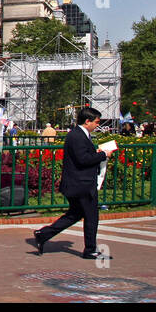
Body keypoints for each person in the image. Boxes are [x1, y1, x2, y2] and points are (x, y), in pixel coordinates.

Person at [32, 106, 111, 259]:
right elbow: (83, 160)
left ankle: (43, 234)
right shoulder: (77, 136)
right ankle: (90, 250)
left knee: (75, 214)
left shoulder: (80, 135)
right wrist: (102, 155)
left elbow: (82, 156)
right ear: (87, 121)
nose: (97, 125)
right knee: (91, 216)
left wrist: (96, 154)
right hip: (81, 184)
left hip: (80, 183)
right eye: (96, 122)